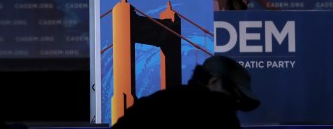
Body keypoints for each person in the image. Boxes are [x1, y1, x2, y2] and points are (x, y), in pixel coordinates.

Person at [110, 54, 260, 129]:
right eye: (234, 98)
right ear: (214, 82)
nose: (234, 107)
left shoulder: (156, 102)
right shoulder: (220, 114)